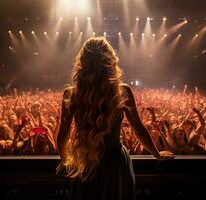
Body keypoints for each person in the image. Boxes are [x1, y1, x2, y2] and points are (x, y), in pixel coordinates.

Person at [56, 37, 174, 200]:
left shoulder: (71, 94)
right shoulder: (122, 91)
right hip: (115, 162)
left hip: (86, 161)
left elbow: (63, 135)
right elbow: (139, 130)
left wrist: (66, 161)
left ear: (82, 62)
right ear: (110, 61)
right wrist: (157, 154)